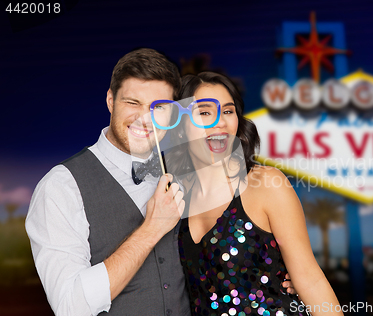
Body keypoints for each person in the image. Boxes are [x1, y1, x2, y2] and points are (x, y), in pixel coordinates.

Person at [25, 48, 189, 316]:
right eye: (133, 103)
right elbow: (70, 307)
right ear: (111, 101)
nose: (144, 118)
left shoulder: (181, 170)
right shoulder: (61, 186)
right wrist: (151, 229)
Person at [171, 72, 343, 316]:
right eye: (205, 112)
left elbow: (311, 281)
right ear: (180, 128)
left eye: (228, 111)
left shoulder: (265, 183)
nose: (219, 121)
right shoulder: (174, 198)